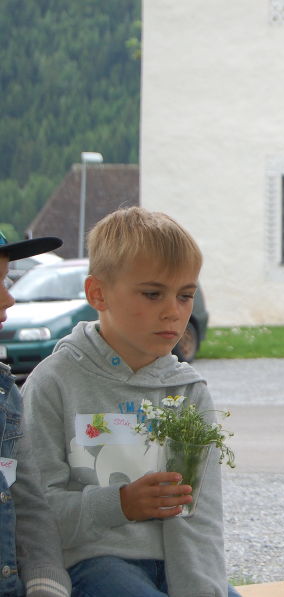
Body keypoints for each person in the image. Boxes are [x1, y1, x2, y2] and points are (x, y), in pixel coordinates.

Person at [22, 208, 239, 597]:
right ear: (97, 294)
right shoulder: (54, 383)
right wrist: (119, 504)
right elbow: (35, 515)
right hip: (92, 565)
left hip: (180, 567)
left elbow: (200, 518)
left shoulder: (189, 392)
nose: (173, 311)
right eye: (153, 293)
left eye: (186, 295)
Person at [0, 232, 71, 597]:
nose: (8, 298)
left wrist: (47, 585)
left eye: (6, 280)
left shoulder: (5, 393)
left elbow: (30, 506)